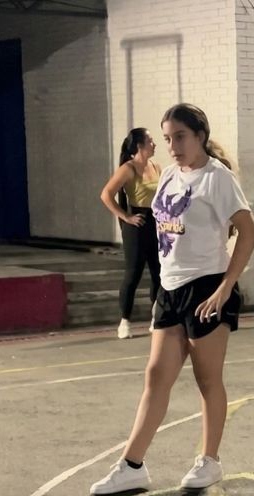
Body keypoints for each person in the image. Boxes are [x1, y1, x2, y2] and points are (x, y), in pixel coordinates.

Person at [89, 104, 254, 496]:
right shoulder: (167, 175)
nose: (173, 146)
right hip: (170, 289)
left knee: (206, 379)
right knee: (156, 376)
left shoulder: (219, 179)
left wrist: (225, 287)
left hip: (207, 289)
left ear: (200, 134)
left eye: (179, 137)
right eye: (167, 138)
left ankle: (209, 460)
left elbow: (249, 233)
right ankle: (132, 466)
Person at [100, 128, 163, 339]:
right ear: (139, 146)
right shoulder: (128, 168)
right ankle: (124, 321)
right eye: (150, 141)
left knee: (159, 272)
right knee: (133, 273)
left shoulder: (156, 166)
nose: (154, 144)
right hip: (137, 222)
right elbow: (106, 194)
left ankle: (156, 317)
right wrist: (126, 217)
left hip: (157, 222)